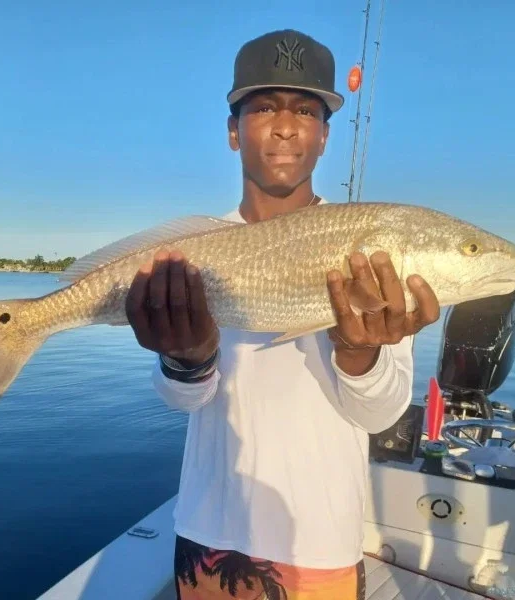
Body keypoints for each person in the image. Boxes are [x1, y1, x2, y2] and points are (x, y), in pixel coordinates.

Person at [126, 29, 439, 600]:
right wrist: (187, 360)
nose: (286, 125)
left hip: (318, 546)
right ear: (232, 131)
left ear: (324, 137)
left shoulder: (371, 255)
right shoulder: (195, 253)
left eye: (306, 111)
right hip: (205, 535)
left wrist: (361, 353)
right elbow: (182, 400)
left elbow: (381, 413)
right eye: (265, 107)